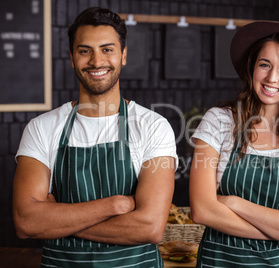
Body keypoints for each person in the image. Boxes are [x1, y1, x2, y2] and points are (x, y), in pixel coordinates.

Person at [13, 7, 177, 267]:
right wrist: (114, 205)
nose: (97, 61)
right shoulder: (41, 128)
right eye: (85, 50)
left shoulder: (153, 127)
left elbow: (150, 227)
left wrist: (58, 220)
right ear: (71, 57)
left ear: (123, 55)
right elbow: (26, 222)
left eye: (107, 49)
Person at [189, 21, 279, 267]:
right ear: (252, 69)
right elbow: (202, 210)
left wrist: (234, 203)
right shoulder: (219, 122)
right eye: (264, 65)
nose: (272, 78)